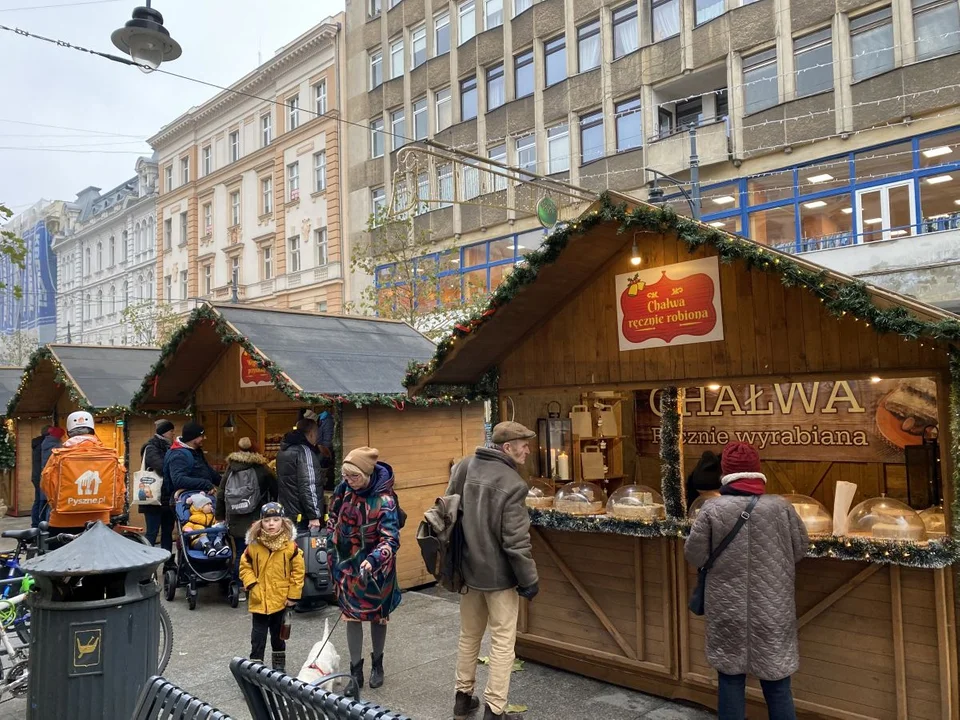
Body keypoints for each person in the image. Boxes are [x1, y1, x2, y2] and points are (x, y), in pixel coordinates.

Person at [684, 442, 808, 720]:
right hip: (773, 610)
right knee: (777, 684)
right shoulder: (781, 508)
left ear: (726, 472)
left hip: (727, 609)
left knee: (730, 680)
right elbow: (800, 548)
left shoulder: (712, 509)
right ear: (756, 471)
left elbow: (694, 554)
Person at [446, 422, 539, 720]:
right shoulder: (512, 483)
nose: (527, 449)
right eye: (523, 444)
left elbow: (447, 513)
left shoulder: (463, 467)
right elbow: (515, 542)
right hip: (499, 577)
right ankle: (495, 711)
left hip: (466, 570)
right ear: (507, 448)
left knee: (469, 635)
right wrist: (529, 579)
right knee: (502, 642)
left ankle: (462, 698)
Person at [326, 447, 401, 696]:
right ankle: (355, 671)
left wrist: (373, 559)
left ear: (367, 474)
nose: (348, 481)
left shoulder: (385, 501)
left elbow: (391, 540)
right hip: (346, 565)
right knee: (351, 616)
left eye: (353, 477)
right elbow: (333, 516)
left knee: (378, 617)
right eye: (345, 476)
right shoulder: (343, 489)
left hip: (376, 570)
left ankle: (377, 665)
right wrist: (331, 541)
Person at [239, 501, 305, 672]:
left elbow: (298, 572)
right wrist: (252, 584)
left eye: (275, 520)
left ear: (282, 521)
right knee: (258, 636)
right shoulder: (254, 546)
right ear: (261, 522)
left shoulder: (291, 547)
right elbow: (244, 566)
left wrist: (293, 596)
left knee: (278, 636)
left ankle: (279, 666)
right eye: (267, 521)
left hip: (280, 599)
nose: (271, 524)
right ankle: (256, 666)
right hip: (259, 597)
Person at [40, 411, 125, 531]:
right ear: (92, 430)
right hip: (99, 521)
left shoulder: (58, 455)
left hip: (63, 521)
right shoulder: (110, 455)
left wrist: (56, 504)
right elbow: (118, 487)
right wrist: (116, 512)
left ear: (69, 432)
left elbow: (47, 484)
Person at [216, 436, 278, 592]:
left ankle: (239, 585)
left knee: (241, 554)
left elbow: (221, 493)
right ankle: (259, 585)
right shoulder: (262, 468)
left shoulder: (231, 469)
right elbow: (275, 489)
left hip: (235, 518)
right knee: (259, 553)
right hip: (256, 519)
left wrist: (220, 517)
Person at [275, 418, 324, 533]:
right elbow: (309, 484)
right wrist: (314, 515)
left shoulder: (283, 451)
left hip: (287, 513)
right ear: (312, 433)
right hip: (302, 516)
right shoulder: (304, 451)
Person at [162, 421, 220, 501]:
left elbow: (209, 471)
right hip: (187, 502)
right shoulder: (178, 455)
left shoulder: (196, 451)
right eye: (202, 436)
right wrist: (205, 484)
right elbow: (178, 480)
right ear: (193, 438)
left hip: (200, 499)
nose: (204, 438)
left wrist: (227, 483)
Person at [141, 419, 176, 551]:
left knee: (167, 533)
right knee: (152, 532)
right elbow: (161, 467)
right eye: (171, 431)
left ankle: (168, 562)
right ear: (165, 432)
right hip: (153, 499)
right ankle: (147, 563)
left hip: (167, 498)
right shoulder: (151, 448)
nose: (173, 434)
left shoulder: (170, 447)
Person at [181, 492, 230, 558]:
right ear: (200, 507)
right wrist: (188, 530)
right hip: (198, 541)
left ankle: (218, 546)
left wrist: (221, 524)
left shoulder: (213, 517)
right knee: (202, 535)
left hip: (212, 538)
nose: (211, 506)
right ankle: (207, 547)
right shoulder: (193, 519)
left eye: (211, 504)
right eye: (208, 504)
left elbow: (218, 524)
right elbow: (186, 526)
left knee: (218, 531)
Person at [36, 426, 64, 524]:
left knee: (44, 502)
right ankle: (47, 524)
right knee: (50, 503)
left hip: (46, 475)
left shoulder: (46, 442)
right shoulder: (56, 446)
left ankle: (40, 523)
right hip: (52, 477)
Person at [30, 426, 50, 528]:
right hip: (41, 477)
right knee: (43, 502)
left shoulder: (37, 443)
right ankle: (38, 524)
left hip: (36, 476)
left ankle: (34, 524)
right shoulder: (45, 445)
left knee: (37, 501)